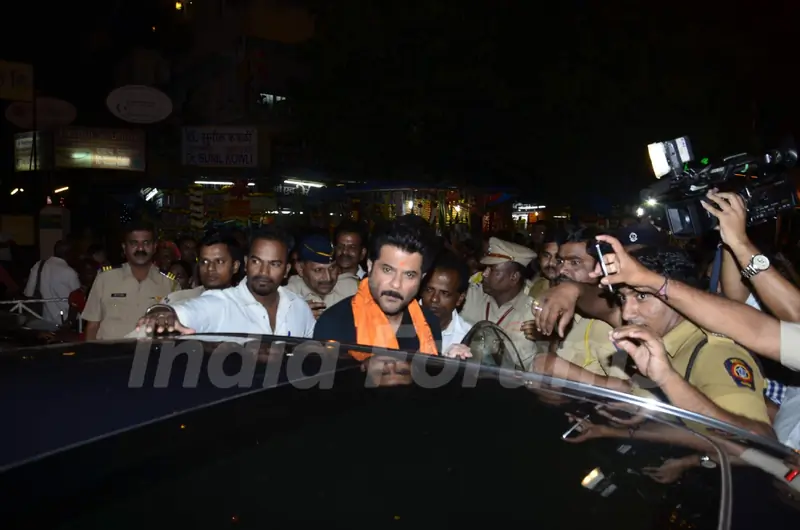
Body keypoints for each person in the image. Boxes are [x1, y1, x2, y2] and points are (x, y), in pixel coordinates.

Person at [313, 215, 469, 360]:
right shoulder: (334, 323)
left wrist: (446, 365)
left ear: (421, 279)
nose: (396, 284)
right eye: (387, 270)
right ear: (370, 266)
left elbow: (426, 377)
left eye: (409, 275)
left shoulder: (429, 323)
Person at [135, 228, 315, 337]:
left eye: (274, 264)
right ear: (246, 263)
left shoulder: (299, 308)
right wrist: (161, 312)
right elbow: (187, 311)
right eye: (256, 261)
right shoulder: (221, 303)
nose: (263, 272)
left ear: (287, 270)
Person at [82, 222, 178, 340]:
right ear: (124, 247)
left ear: (154, 247)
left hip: (150, 350)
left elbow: (176, 327)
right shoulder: (105, 279)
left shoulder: (169, 284)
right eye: (134, 243)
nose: (140, 248)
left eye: (146, 243)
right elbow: (92, 326)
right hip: (110, 350)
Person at [461, 236, 537, 369]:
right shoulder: (472, 295)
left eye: (492, 270)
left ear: (514, 277)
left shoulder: (531, 312)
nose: (484, 274)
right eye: (485, 268)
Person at [286, 234, 359, 318]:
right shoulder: (286, 297)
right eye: (318, 270)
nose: (328, 278)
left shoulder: (353, 289)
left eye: (332, 268)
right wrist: (296, 318)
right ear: (300, 269)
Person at [163, 231, 242, 305]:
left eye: (219, 261)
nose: (210, 268)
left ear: (235, 266)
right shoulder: (178, 301)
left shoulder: (243, 305)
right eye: (205, 262)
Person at [419, 250, 473, 354]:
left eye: (444, 293)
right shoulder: (398, 323)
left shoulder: (468, 338)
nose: (434, 299)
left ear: (460, 299)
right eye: (429, 290)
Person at [24, 240, 80, 325]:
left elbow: (28, 293)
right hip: (66, 321)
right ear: (68, 253)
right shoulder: (70, 272)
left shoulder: (38, 266)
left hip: (42, 319)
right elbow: (78, 299)